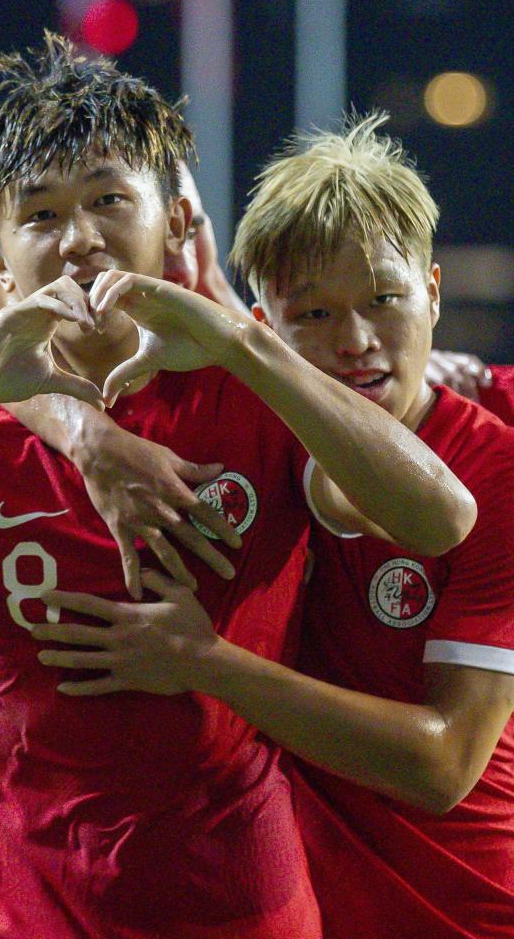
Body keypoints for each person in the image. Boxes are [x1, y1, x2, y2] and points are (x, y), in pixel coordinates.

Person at [0, 36, 472, 938]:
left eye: (110, 200)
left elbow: (439, 521)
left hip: (243, 903)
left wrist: (240, 340)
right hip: (21, 908)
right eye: (42, 215)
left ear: (176, 223)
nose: (81, 240)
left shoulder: (255, 387)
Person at [28, 114, 514, 937]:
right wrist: (85, 432)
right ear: (266, 322)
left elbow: (441, 765)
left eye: (385, 300)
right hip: (302, 909)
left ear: (432, 291)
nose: (358, 342)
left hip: (469, 907)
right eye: (314, 317)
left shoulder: (495, 470)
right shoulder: (256, 423)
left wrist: (205, 662)